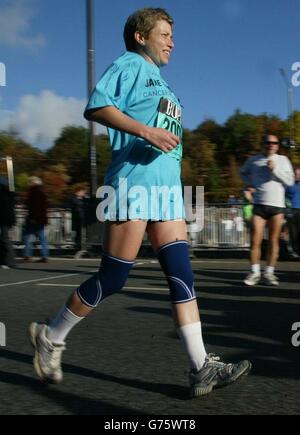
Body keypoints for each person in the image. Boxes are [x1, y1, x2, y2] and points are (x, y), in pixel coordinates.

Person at [29, 8, 251, 397]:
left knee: (182, 274)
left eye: (171, 35)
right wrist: (145, 131)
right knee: (113, 278)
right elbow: (96, 106)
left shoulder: (163, 84)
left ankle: (200, 366)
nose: (171, 41)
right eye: (164, 34)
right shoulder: (129, 65)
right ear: (140, 36)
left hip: (166, 191)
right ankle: (51, 336)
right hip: (132, 186)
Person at [240, 135, 295, 286]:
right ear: (263, 144)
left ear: (277, 145)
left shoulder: (283, 160)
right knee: (255, 240)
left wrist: (275, 169)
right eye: (268, 142)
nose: (271, 145)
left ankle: (269, 273)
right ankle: (255, 273)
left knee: (273, 241)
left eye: (274, 143)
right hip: (259, 204)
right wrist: (250, 184)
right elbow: (242, 172)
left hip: (277, 206)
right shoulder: (253, 160)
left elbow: (290, 181)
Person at [23, 176, 49, 263]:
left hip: (33, 218)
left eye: (29, 182)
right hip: (41, 218)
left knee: (27, 236)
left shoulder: (33, 192)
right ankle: (45, 255)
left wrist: (33, 217)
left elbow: (34, 207)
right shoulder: (43, 192)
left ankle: (27, 254)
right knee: (42, 237)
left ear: (32, 183)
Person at [0, 177, 16, 269]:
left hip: (3, 219)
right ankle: (6, 261)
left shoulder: (3, 195)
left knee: (5, 240)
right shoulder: (10, 194)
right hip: (8, 219)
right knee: (4, 240)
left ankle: (9, 261)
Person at [69, 186, 89, 253]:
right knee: (78, 234)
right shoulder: (74, 199)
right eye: (82, 192)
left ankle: (81, 247)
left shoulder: (83, 199)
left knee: (82, 234)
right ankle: (78, 248)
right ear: (78, 192)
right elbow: (77, 204)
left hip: (83, 218)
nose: (84, 193)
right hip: (78, 219)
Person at [286, 168, 300, 257]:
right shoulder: (289, 185)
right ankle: (296, 250)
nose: (297, 176)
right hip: (292, 212)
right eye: (296, 174)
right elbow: (283, 197)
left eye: (299, 174)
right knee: (293, 234)